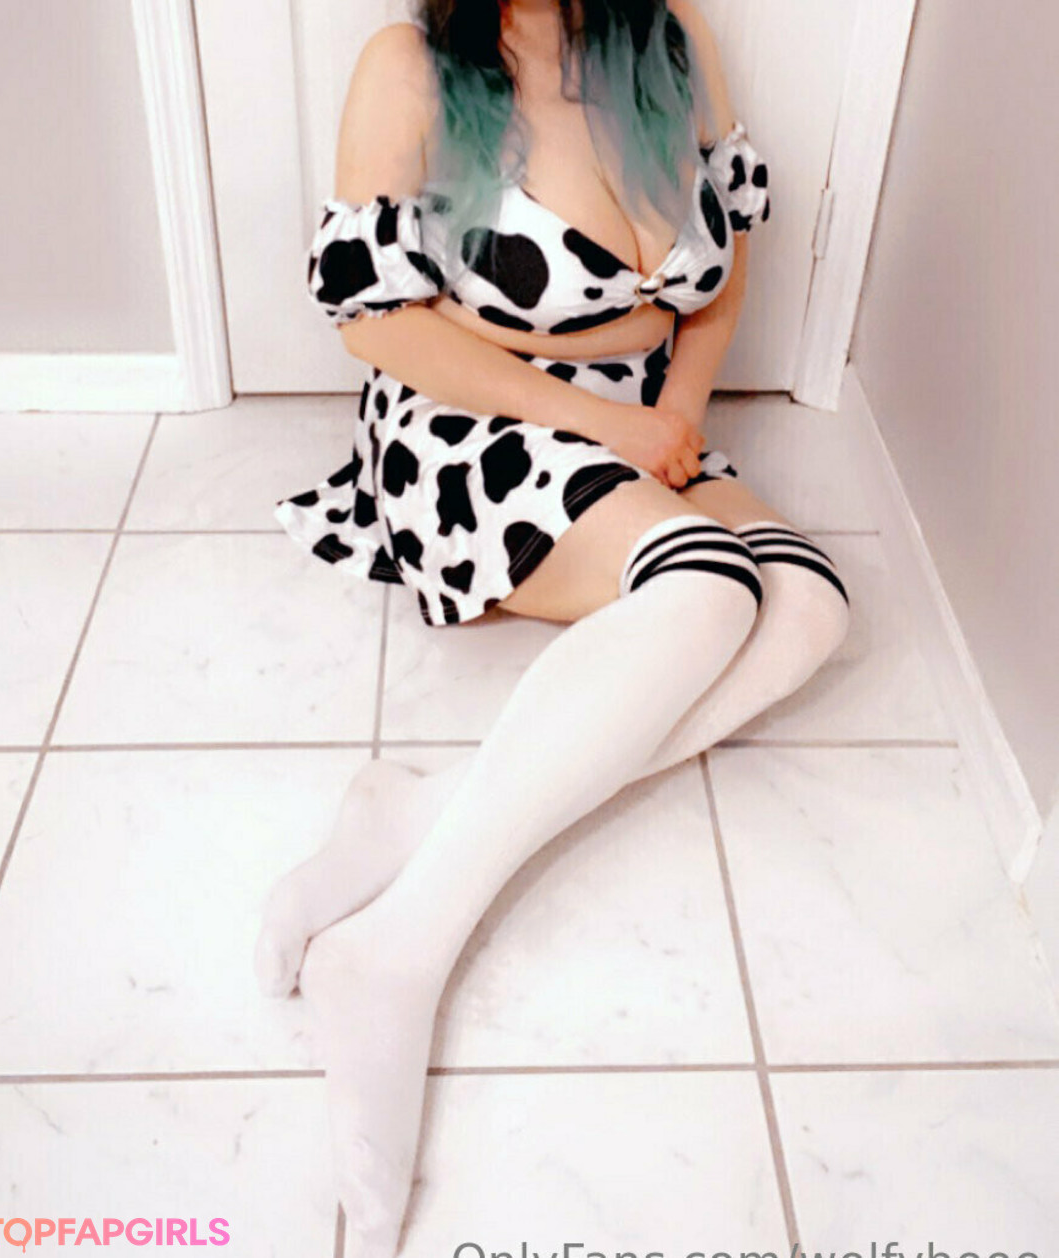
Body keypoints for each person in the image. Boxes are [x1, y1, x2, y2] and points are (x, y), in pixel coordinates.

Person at [259, 1, 850, 1252]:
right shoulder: (412, 67)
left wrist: (674, 423)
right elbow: (375, 322)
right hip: (471, 426)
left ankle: (421, 811)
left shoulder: (671, 40)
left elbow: (724, 268)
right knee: (709, 589)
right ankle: (398, 953)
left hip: (637, 423)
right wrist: (608, 428)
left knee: (808, 609)